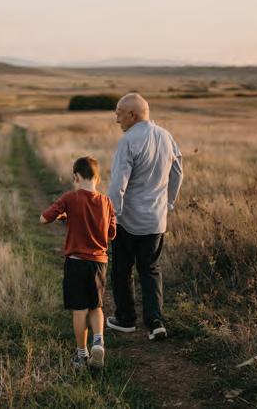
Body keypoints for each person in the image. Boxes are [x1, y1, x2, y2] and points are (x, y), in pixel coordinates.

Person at [107, 93, 183, 341]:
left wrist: (112, 214)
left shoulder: (128, 141)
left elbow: (118, 183)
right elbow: (177, 171)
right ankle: (155, 322)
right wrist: (168, 202)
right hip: (156, 220)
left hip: (127, 220)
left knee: (121, 269)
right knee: (150, 270)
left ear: (132, 114)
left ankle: (126, 319)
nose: (117, 119)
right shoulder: (166, 136)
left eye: (119, 113)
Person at [40, 157, 116, 368]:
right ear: (97, 179)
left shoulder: (70, 198)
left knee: (79, 309)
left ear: (75, 177)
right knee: (96, 306)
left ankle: (81, 354)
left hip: (76, 263)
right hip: (99, 263)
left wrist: (61, 215)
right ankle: (98, 342)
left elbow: (44, 218)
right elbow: (111, 233)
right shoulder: (107, 202)